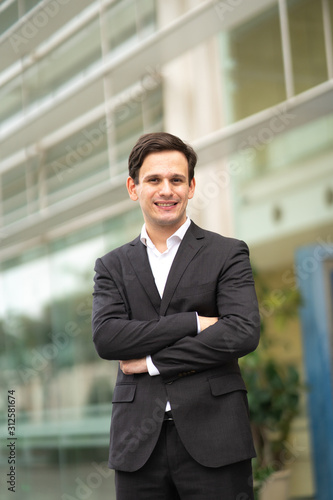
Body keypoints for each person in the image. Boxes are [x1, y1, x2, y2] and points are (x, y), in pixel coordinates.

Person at [92, 132, 260, 500]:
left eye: (176, 180)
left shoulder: (227, 253)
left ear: (192, 186)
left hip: (216, 437)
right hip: (138, 445)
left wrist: (152, 361)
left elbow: (242, 332)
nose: (166, 190)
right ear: (133, 188)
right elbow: (108, 338)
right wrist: (194, 323)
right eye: (154, 180)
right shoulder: (112, 267)